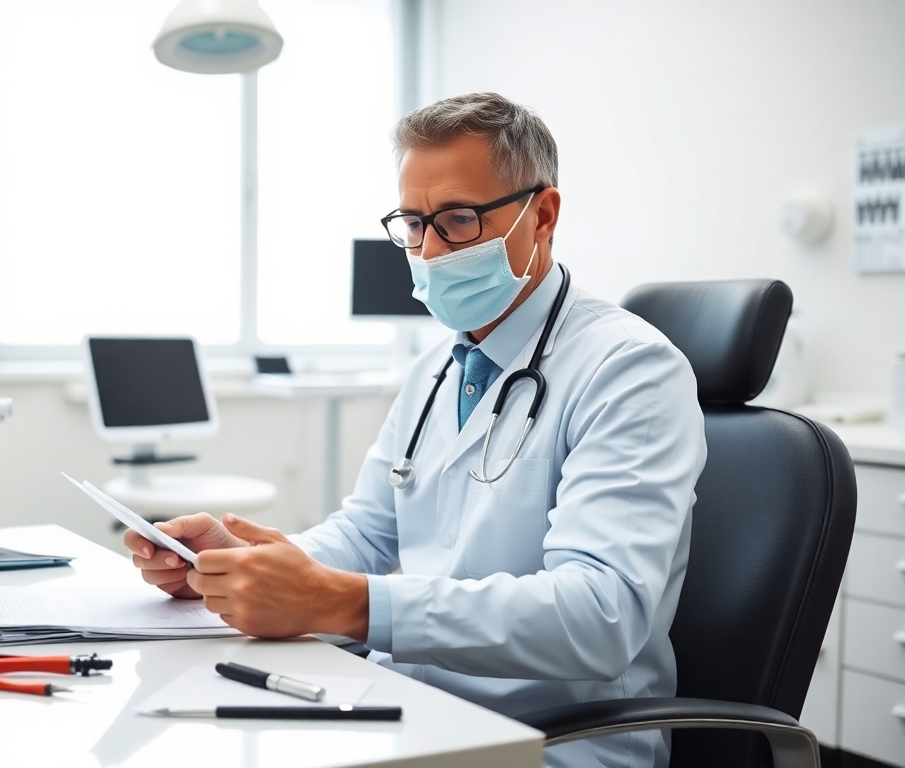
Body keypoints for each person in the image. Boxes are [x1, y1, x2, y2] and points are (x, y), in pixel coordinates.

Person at [125, 92, 706, 768]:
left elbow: (600, 614)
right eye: (413, 223)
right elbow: (368, 533)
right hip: (415, 709)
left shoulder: (629, 371)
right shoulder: (438, 364)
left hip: (553, 742)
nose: (428, 251)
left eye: (458, 220)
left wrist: (347, 604)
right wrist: (240, 568)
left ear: (542, 215)